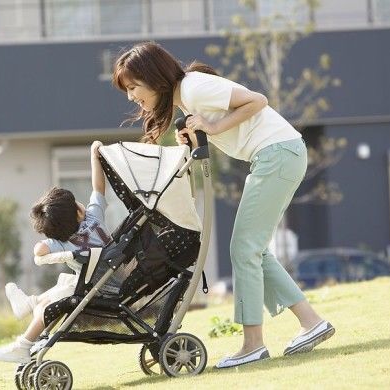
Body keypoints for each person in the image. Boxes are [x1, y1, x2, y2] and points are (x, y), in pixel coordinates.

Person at [112, 42, 335, 368]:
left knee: (244, 248)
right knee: (252, 249)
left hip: (277, 155)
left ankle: (253, 344)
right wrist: (195, 136)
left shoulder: (195, 87)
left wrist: (213, 127)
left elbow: (258, 101)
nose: (131, 96)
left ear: (154, 77)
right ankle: (311, 322)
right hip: (275, 156)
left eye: (133, 87)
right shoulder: (187, 98)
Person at [0, 141, 110, 363]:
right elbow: (98, 187)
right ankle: (30, 304)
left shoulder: (62, 243)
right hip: (107, 282)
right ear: (78, 211)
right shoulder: (95, 217)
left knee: (48, 306)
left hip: (93, 289)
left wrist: (47, 242)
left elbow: (40, 249)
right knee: (63, 286)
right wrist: (95, 156)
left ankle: (23, 345)